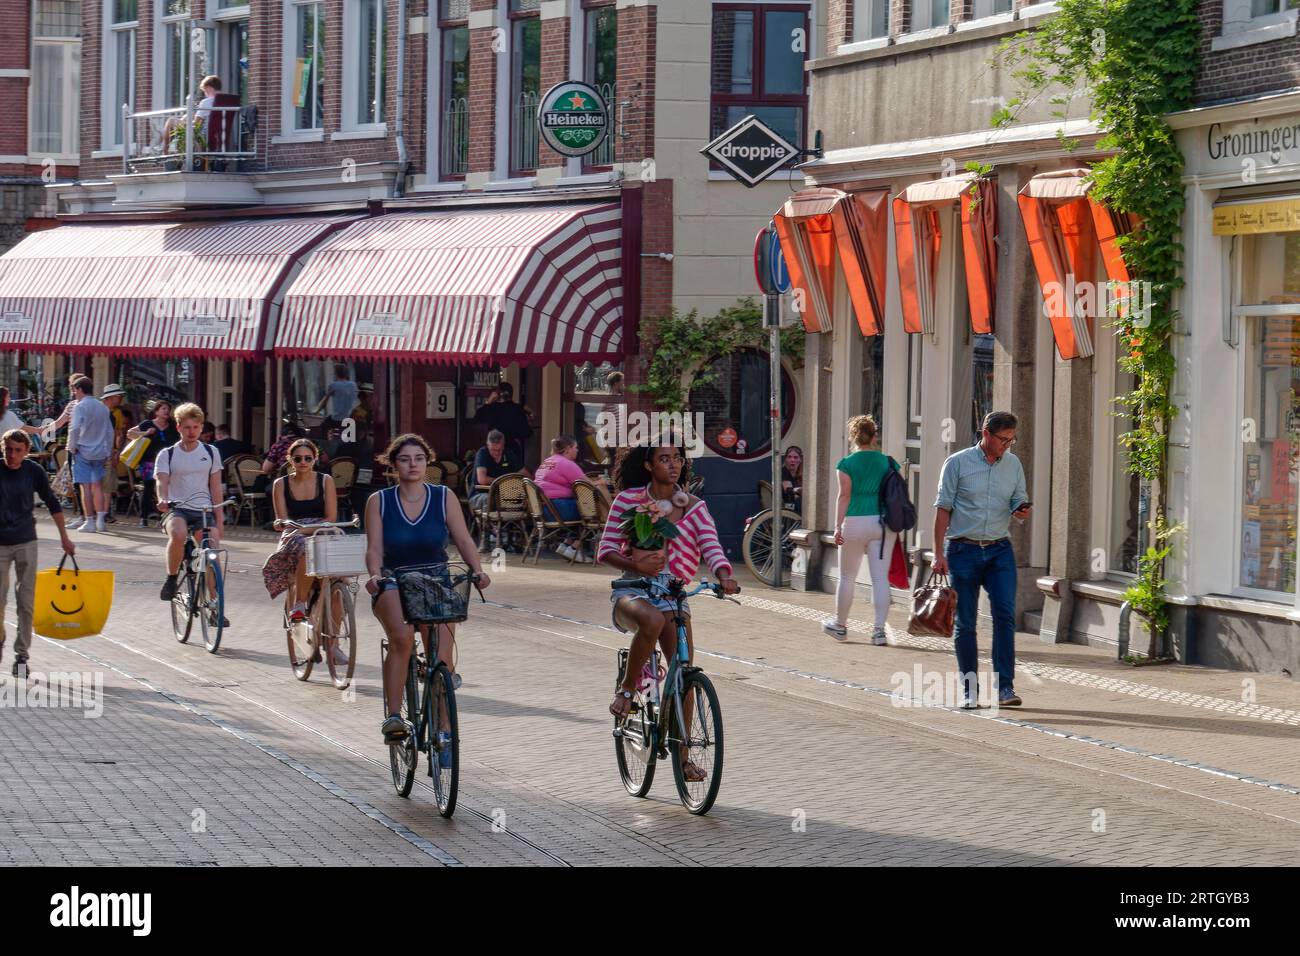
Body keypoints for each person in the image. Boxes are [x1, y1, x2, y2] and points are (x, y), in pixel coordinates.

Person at [597, 439, 739, 781]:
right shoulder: (628, 501)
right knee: (652, 619)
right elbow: (605, 551)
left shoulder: (694, 507)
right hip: (633, 591)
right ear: (649, 465)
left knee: (684, 674)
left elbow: (711, 546)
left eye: (677, 458)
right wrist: (637, 564)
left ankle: (684, 756)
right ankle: (628, 689)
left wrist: (724, 575)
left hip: (674, 594)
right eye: (664, 459)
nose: (673, 464)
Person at [365, 434, 490, 743]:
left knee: (443, 658)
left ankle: (444, 729)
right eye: (405, 459)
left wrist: (478, 570)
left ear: (427, 462)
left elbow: (462, 539)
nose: (413, 465)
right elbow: (375, 548)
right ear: (394, 465)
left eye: (419, 459)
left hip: (435, 578)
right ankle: (394, 717)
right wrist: (373, 574)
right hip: (393, 578)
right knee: (402, 638)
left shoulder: (443, 496)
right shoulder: (379, 501)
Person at [931, 410, 1031, 709]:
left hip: (1000, 549)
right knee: (966, 622)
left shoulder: (1013, 465)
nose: (1007, 446)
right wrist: (937, 553)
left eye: (1012, 440)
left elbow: (1018, 497)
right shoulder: (957, 463)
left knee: (1005, 616)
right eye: (1003, 439)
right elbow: (942, 508)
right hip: (963, 550)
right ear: (986, 434)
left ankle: (1004, 689)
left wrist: (1020, 509)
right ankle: (969, 691)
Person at [0, 429, 75, 677]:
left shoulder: (33, 471)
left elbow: (52, 502)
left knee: (26, 601)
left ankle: (22, 655)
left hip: (25, 542)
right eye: (8, 449)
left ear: (26, 452)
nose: (12, 455)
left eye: (17, 450)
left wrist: (65, 537)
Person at [822, 417, 896, 645]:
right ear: (875, 437)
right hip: (882, 523)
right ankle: (878, 631)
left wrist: (837, 526)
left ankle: (841, 626)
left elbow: (844, 496)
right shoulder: (888, 462)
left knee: (847, 577)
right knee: (879, 578)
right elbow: (895, 491)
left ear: (853, 438)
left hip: (854, 521)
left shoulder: (846, 464)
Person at [156, 403, 228, 629]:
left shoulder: (210, 452)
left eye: (196, 427)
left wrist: (220, 517)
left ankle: (214, 604)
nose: (192, 432)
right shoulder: (167, 454)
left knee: (213, 552)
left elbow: (216, 487)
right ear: (178, 427)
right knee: (178, 534)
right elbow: (162, 481)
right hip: (177, 507)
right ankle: (171, 577)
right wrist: (162, 499)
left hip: (203, 509)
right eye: (187, 427)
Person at [264, 439, 340, 653]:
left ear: (315, 459)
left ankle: (334, 643)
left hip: (321, 529)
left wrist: (311, 528)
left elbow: (331, 517)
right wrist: (282, 524)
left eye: (308, 458)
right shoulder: (281, 484)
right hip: (294, 533)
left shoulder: (326, 481)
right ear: (290, 460)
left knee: (340, 582)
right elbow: (282, 519)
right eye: (298, 458)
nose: (303, 462)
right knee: (308, 548)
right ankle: (299, 603)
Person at [66, 377, 114, 534]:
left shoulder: (79, 407)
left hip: (83, 450)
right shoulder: (103, 407)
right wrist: (108, 451)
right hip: (100, 451)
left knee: (85, 487)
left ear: (80, 389)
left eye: (74, 389)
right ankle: (101, 520)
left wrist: (72, 446)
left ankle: (90, 521)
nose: (74, 393)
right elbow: (109, 432)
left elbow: (74, 429)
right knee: (98, 485)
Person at [534, 435, 592, 562]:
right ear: (567, 449)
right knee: (592, 512)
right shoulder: (566, 464)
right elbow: (588, 485)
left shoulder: (547, 462)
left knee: (583, 507)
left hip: (543, 510)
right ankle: (575, 547)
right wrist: (602, 482)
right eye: (575, 448)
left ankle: (566, 545)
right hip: (558, 510)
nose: (577, 450)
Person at [127, 400, 180, 527]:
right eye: (163, 409)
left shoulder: (172, 426)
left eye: (168, 409)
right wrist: (145, 433)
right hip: (149, 462)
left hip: (168, 463)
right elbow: (130, 433)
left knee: (167, 489)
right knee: (149, 488)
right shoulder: (148, 424)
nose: (166, 411)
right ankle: (143, 518)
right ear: (156, 411)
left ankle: (165, 517)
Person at [469, 429, 528, 513]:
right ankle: (489, 526)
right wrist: (505, 483)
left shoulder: (509, 454)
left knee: (524, 498)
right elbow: (482, 480)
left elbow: (525, 474)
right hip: (480, 494)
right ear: (488, 445)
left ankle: (517, 524)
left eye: (499, 450)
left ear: (503, 445)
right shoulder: (482, 453)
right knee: (489, 499)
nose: (496, 453)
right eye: (493, 450)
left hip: (504, 494)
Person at [473, 381, 532, 463]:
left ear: (498, 395)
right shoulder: (518, 409)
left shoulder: (492, 409)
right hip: (512, 449)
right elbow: (526, 432)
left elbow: (477, 418)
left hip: (494, 449)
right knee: (513, 474)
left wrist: (488, 401)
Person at [99, 384, 129, 525]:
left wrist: (117, 451)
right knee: (104, 485)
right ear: (110, 397)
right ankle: (102, 513)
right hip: (105, 451)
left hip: (104, 451)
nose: (120, 399)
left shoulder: (116, 413)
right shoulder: (108, 413)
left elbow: (119, 434)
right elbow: (118, 434)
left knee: (106, 484)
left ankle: (103, 513)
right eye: (118, 396)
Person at [781, 445, 804, 514]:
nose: (792, 460)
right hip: (788, 507)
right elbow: (788, 490)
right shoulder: (783, 472)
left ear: (800, 460)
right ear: (785, 459)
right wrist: (799, 490)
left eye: (796, 457)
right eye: (789, 457)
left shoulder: (802, 474)